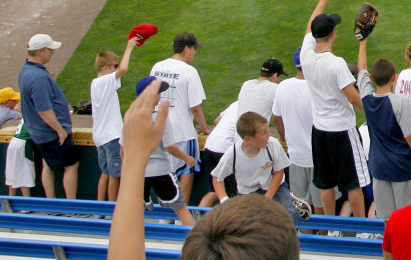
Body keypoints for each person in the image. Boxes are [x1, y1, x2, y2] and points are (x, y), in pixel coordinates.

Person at [106, 81, 297, 260]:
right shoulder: (236, 151)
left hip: (147, 173)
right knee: (180, 207)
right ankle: (188, 230)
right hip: (172, 174)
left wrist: (133, 163)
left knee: (151, 205)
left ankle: (182, 229)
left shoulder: (266, 147)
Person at [301, 0, 370, 217]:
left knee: (326, 183)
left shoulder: (306, 56)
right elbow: (353, 97)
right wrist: (372, 112)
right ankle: (362, 230)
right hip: (342, 130)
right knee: (354, 183)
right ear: (333, 34)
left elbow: (310, 26)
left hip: (319, 130)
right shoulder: (336, 63)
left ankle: (332, 226)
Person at [359, 53, 411, 216]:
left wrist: (362, 42)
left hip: (378, 167)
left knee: (386, 217)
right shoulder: (399, 102)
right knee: (406, 215)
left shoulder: (367, 98)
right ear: (394, 78)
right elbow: (409, 136)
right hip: (401, 167)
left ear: (372, 78)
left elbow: (362, 71)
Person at [19, 34, 80, 198]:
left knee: (48, 165)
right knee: (71, 166)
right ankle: (72, 206)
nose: (52, 53)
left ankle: (52, 203)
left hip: (40, 132)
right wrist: (60, 130)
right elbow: (44, 110)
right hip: (50, 133)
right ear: (41, 51)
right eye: (50, 50)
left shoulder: (26, 70)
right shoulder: (37, 77)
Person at [129, 76, 196, 226]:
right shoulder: (161, 117)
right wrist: (187, 158)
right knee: (181, 210)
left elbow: (123, 148)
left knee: (136, 210)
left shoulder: (131, 117)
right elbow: (169, 146)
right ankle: (195, 241)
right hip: (161, 171)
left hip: (139, 172)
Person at [150, 31, 210, 199]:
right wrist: (204, 127)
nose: (195, 52)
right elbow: (195, 107)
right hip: (183, 133)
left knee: (163, 174)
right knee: (186, 171)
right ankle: (179, 217)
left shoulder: (157, 67)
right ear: (186, 49)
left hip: (158, 130)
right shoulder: (190, 72)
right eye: (194, 48)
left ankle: (164, 217)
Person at [210, 111, 295, 218]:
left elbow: (278, 173)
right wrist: (224, 199)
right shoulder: (233, 153)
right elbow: (217, 177)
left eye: (268, 130)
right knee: (249, 221)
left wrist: (267, 198)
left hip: (274, 188)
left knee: (289, 214)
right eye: (264, 133)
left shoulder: (273, 145)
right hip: (248, 192)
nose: (269, 135)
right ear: (248, 139)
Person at [271, 48, 321, 216]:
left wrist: (286, 137)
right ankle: (322, 238)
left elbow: (276, 118)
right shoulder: (317, 87)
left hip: (296, 155)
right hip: (318, 158)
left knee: (301, 205)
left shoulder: (282, 86)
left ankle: (306, 239)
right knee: (321, 205)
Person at [91, 36, 141, 201]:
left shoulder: (95, 82)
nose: (116, 68)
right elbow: (124, 70)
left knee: (105, 173)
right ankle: (114, 208)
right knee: (115, 175)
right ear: (105, 68)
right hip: (111, 136)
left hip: (100, 137)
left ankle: (101, 207)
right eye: (114, 66)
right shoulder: (105, 81)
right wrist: (129, 47)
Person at [235, 58, 284, 138]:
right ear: (275, 75)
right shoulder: (276, 88)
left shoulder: (246, 84)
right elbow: (277, 119)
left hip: (238, 139)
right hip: (256, 141)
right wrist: (284, 138)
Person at [4, 118, 34, 196]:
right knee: (24, 176)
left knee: (13, 174)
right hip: (22, 144)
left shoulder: (27, 111)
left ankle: (10, 202)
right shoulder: (36, 111)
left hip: (13, 142)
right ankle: (26, 205)